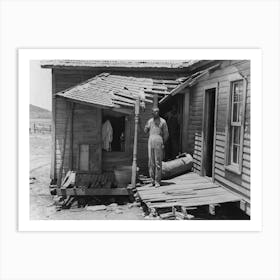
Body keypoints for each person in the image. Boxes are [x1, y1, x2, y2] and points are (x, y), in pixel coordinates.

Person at [144, 108, 169, 187]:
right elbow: (145, 131)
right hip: (150, 140)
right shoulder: (150, 121)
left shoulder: (163, 122)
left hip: (158, 140)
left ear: (159, 113)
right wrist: (144, 125)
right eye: (154, 112)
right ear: (152, 113)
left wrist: (163, 143)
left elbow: (166, 134)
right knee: (151, 162)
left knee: (158, 162)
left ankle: (157, 181)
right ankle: (152, 180)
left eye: (157, 111)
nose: (156, 113)